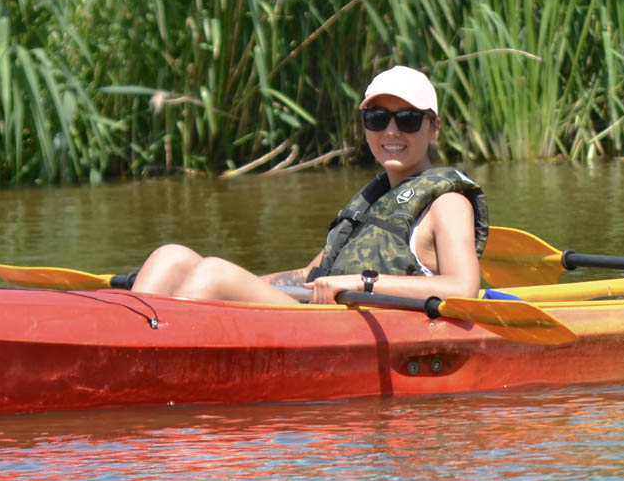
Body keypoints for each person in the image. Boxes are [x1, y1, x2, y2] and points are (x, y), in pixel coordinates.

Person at [132, 66, 488, 304]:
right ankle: (124, 334)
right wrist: (242, 284)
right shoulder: (374, 200)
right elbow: (309, 275)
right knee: (173, 258)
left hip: (355, 325)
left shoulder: (448, 203)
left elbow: (462, 288)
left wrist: (359, 283)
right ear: (365, 125)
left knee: (211, 272)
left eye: (408, 120)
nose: (391, 131)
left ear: (434, 128)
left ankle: (151, 348)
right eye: (377, 118)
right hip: (323, 312)